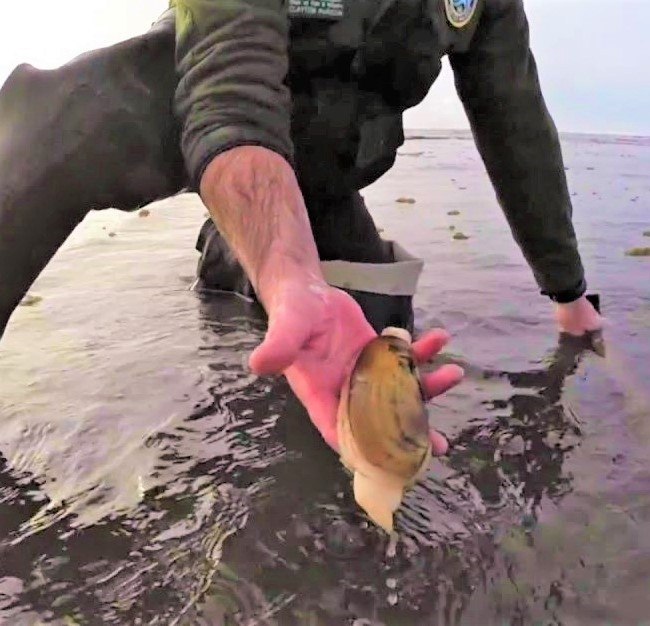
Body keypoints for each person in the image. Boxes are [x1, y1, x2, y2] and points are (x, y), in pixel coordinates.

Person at [0, 0, 601, 453]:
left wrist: (569, 293)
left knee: (373, 342)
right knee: (53, 122)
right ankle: (247, 252)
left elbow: (515, 123)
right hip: (197, 95)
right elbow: (230, 85)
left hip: (328, 163)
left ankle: (237, 258)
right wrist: (286, 266)